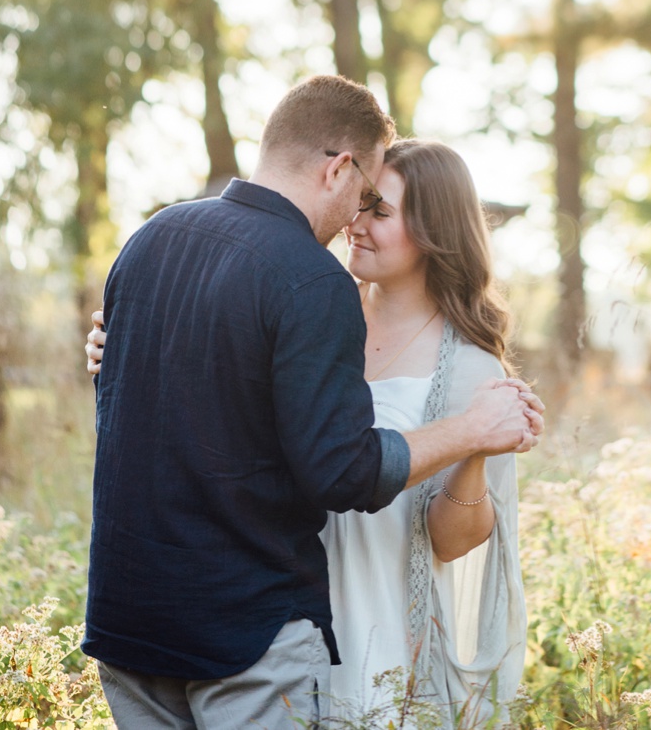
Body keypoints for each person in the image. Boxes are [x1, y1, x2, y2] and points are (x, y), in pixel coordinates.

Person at [83, 75, 543, 730]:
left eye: (377, 209)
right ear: (338, 169)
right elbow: (340, 469)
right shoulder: (309, 284)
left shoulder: (152, 237)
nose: (355, 220)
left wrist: (116, 365)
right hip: (249, 624)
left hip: (142, 622)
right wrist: (114, 357)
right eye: (364, 198)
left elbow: (188, 410)